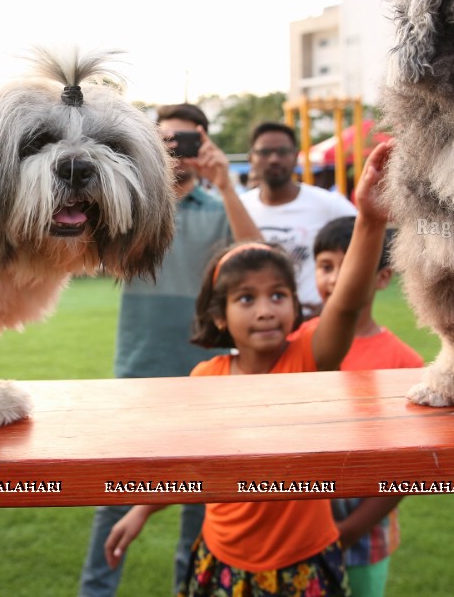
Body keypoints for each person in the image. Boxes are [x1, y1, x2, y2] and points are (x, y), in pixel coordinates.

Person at [104, 141, 392, 597]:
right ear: (219, 316)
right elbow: (189, 465)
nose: (265, 309)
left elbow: (347, 303)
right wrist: (141, 508)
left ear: (295, 305)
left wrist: (371, 221)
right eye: (246, 298)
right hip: (221, 563)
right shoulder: (207, 378)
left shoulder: (308, 359)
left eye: (278, 295)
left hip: (303, 564)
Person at [78, 103, 261, 597]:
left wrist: (225, 184)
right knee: (114, 498)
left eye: (186, 143)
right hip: (140, 373)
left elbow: (260, 261)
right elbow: (91, 251)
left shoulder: (224, 206)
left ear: (205, 146)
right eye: (166, 142)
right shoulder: (134, 208)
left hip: (210, 380)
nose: (176, 153)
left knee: (199, 505)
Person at [294, 217, 422, 597]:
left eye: (348, 265)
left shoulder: (405, 364)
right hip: (304, 508)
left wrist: (353, 529)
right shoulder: (299, 342)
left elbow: (406, 466)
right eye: (325, 266)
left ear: (382, 277)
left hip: (370, 517)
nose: (334, 279)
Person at [241, 122, 357, 318]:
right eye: (265, 152)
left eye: (283, 151)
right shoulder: (239, 208)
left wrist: (336, 301)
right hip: (258, 323)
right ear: (251, 158)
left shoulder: (327, 204)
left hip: (315, 326)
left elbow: (369, 242)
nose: (274, 159)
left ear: (296, 156)